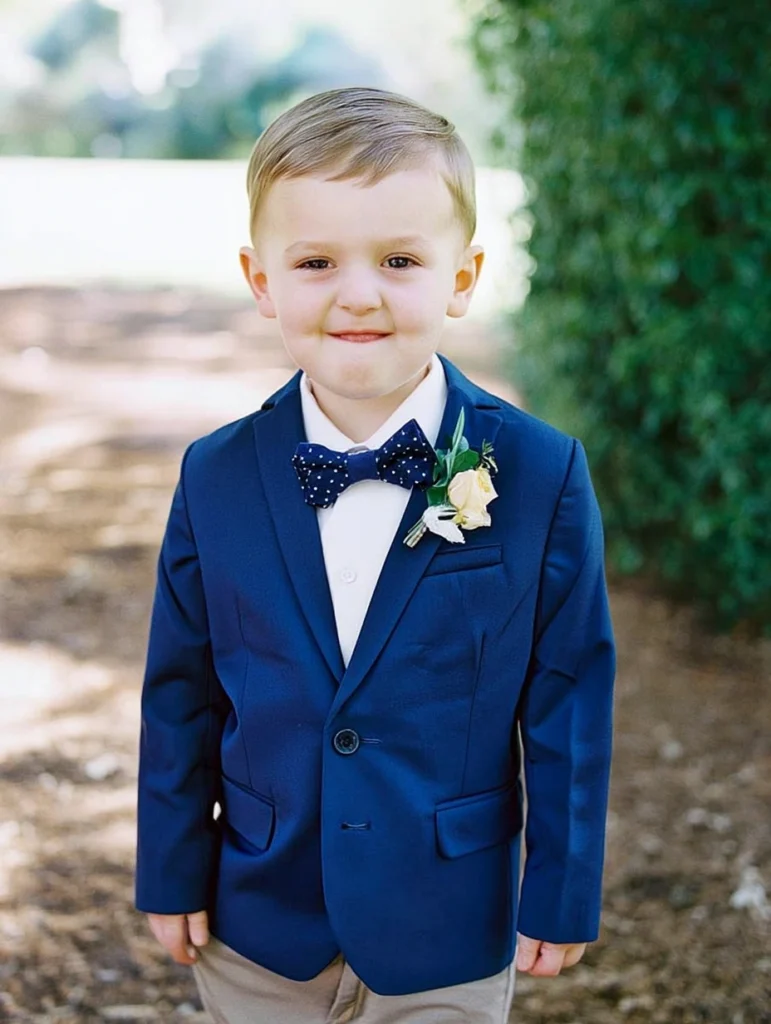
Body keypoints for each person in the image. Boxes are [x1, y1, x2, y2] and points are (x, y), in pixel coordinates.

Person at [134, 85, 616, 1023]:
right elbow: (179, 694)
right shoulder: (215, 475)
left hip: (449, 922)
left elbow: (568, 700)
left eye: (400, 259)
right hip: (258, 927)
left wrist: (563, 885)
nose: (358, 293)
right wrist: (169, 867)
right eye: (314, 261)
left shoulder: (539, 472)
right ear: (261, 279)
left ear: (463, 277)